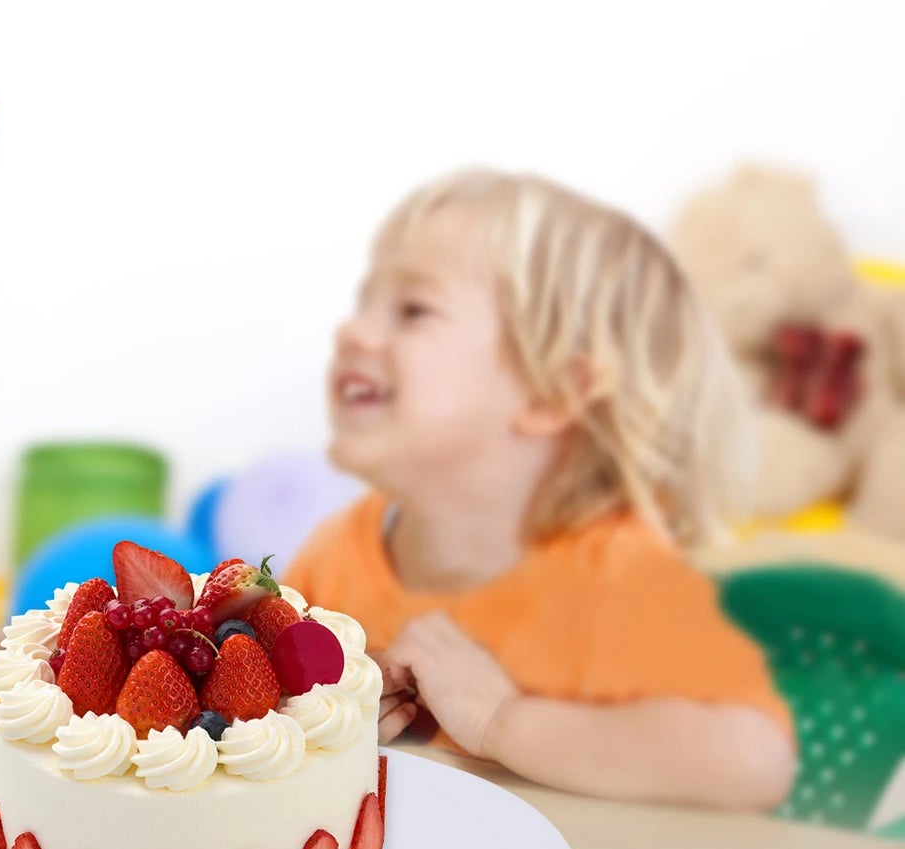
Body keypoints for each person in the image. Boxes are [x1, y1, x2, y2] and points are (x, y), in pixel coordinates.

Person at [286, 169, 797, 810]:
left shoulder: (615, 572)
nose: (352, 332)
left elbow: (751, 761)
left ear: (552, 394)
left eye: (412, 310)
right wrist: (325, 714)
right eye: (368, 303)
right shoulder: (337, 550)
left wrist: (503, 721)